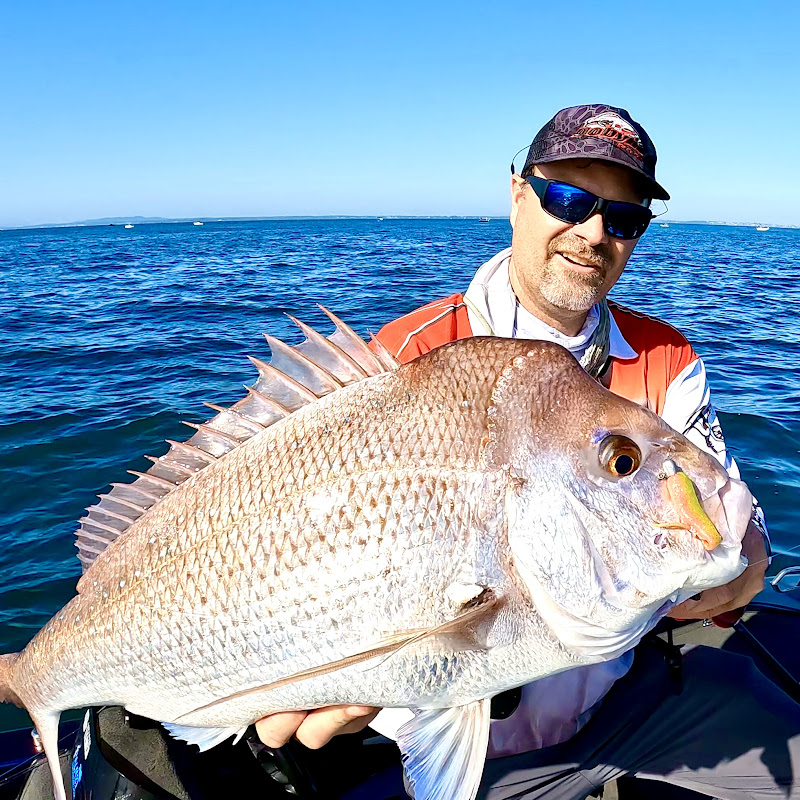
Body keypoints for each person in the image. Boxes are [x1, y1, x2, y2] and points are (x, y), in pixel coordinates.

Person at [256, 104, 799, 799]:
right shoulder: (402, 360)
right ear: (518, 196)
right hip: (444, 729)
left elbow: (732, 514)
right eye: (568, 199)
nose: (593, 233)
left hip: (624, 705)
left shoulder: (667, 358)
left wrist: (748, 559)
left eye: (623, 218)